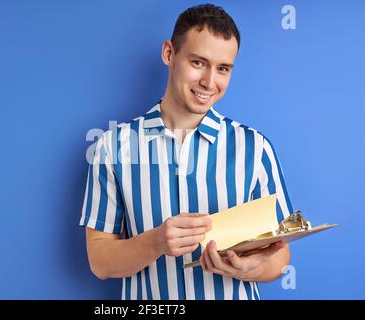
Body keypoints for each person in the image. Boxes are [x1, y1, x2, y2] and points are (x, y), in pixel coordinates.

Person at [79, 3, 293, 300]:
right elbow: (99, 261)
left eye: (223, 69)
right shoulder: (112, 147)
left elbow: (280, 258)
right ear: (169, 53)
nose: (209, 82)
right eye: (198, 63)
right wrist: (156, 242)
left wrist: (248, 269)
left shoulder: (255, 148)